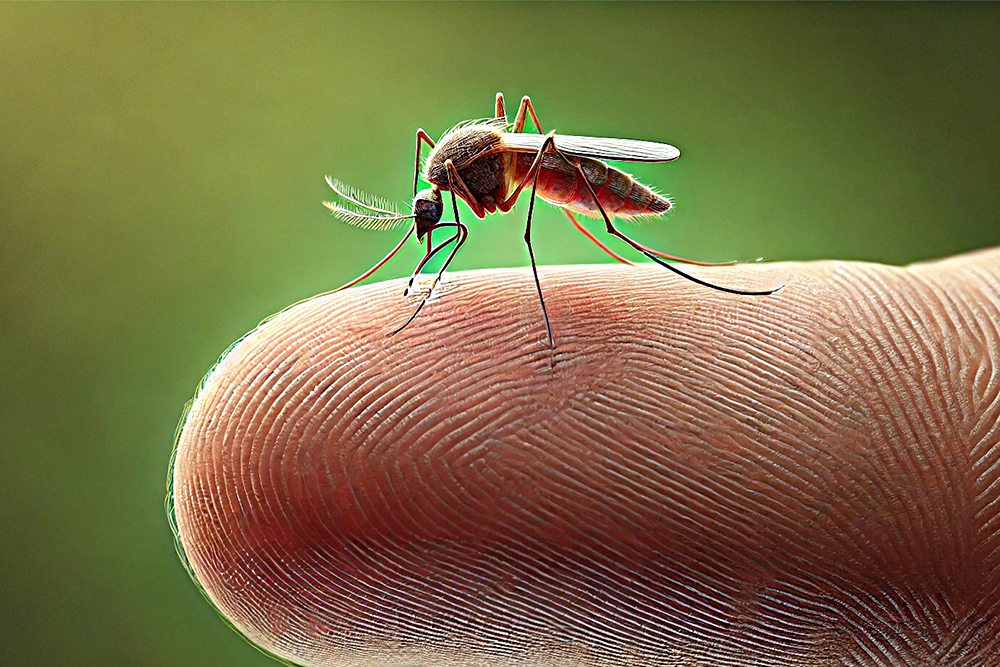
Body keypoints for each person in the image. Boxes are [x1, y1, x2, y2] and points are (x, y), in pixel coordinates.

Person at [171, 249, 1000, 666]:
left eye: (428, 218)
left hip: (559, 173)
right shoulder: (456, 178)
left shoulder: (479, 172)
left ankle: (677, 273)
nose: (434, 225)